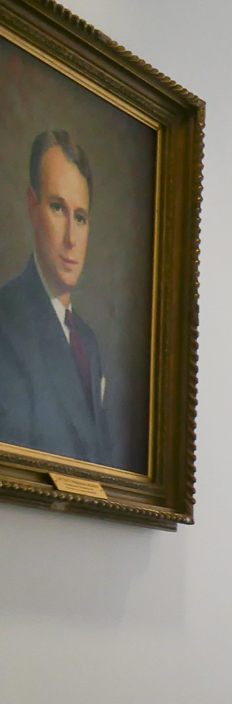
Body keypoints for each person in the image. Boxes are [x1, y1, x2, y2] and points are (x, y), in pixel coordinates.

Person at [0, 130, 117, 470]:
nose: (71, 238)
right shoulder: (7, 321)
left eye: (80, 218)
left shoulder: (88, 343)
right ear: (32, 207)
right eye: (57, 208)